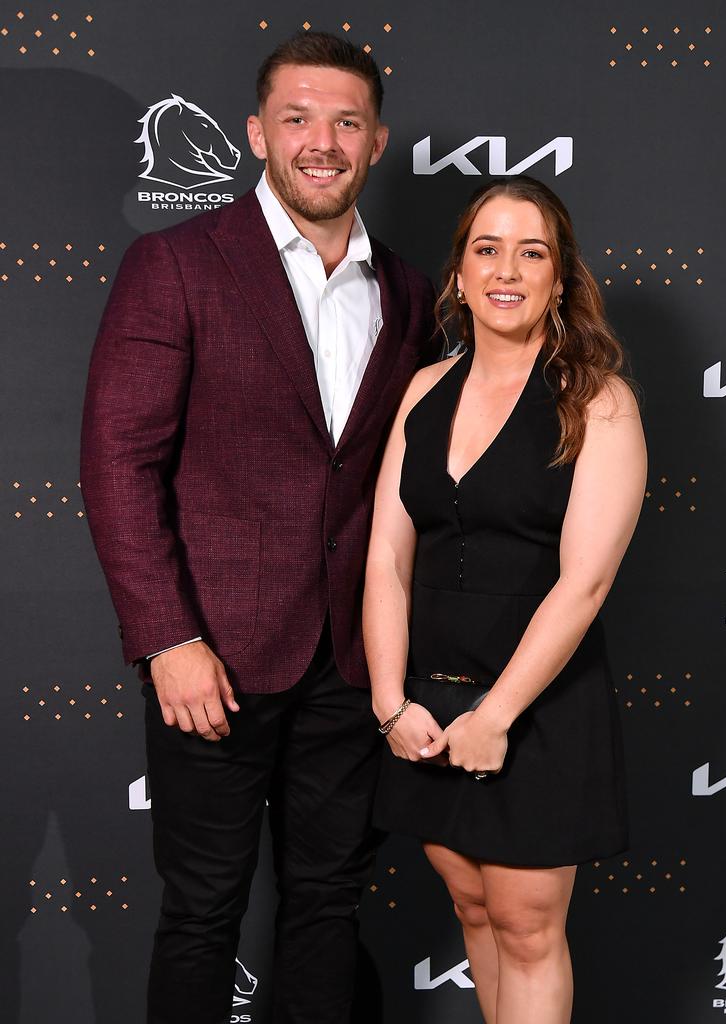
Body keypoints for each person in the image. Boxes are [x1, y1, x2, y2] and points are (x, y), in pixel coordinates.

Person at [80, 32, 436, 1024]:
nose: (321, 141)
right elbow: (117, 462)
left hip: (351, 662)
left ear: (376, 142)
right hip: (213, 658)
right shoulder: (176, 264)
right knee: (202, 912)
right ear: (256, 134)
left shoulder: (410, 294)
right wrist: (167, 639)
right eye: (297, 118)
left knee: (327, 907)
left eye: (345, 122)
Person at [363, 176, 647, 1024]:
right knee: (473, 909)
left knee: (526, 926)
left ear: (560, 279)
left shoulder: (597, 401)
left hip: (539, 706)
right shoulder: (422, 390)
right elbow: (385, 555)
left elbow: (585, 582)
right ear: (458, 275)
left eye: (533, 251)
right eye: (487, 248)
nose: (507, 269)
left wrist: (498, 714)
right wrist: (387, 700)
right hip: (428, 705)